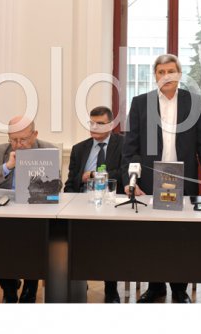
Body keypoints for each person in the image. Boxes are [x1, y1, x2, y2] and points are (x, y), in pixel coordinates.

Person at [121, 53, 201, 304]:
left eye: (171, 71)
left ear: (179, 74)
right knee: (151, 238)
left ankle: (179, 289)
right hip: (148, 181)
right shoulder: (141, 103)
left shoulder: (193, 102)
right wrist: (130, 180)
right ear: (155, 76)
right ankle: (156, 287)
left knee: (181, 237)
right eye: (161, 72)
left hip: (183, 181)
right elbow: (130, 148)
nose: (166, 76)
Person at [0, 116, 58, 303]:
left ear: (34, 134)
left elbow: (57, 187)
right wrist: (8, 167)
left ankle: (30, 288)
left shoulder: (48, 150)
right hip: (3, 215)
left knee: (35, 241)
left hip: (36, 215)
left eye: (23, 139)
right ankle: (9, 288)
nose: (18, 145)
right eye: (13, 140)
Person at [64, 106, 124, 303]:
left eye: (100, 123)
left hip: (111, 204)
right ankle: (78, 281)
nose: (94, 127)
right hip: (83, 203)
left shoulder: (123, 145)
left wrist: (92, 175)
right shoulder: (79, 149)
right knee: (71, 236)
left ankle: (111, 288)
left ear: (111, 125)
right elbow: (71, 183)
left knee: (110, 242)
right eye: (92, 123)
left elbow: (122, 174)